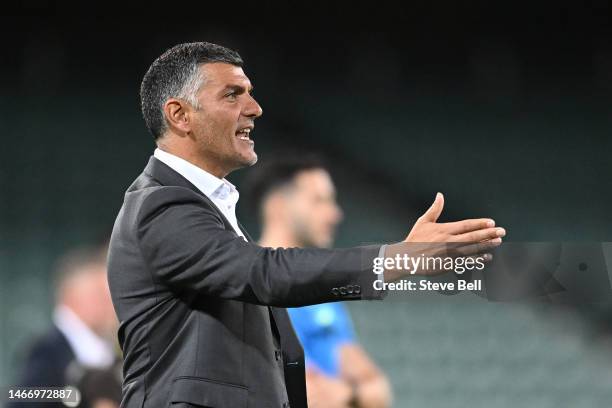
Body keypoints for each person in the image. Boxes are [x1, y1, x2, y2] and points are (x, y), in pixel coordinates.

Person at [107, 42, 505, 408]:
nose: (255, 107)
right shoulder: (161, 203)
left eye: (249, 92)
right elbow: (261, 273)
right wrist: (393, 259)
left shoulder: (207, 209)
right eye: (232, 94)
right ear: (180, 115)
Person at [247, 155, 392, 408]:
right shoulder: (248, 285)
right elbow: (299, 394)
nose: (335, 214)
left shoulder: (323, 293)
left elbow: (378, 391)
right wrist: (350, 394)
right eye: (319, 201)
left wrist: (348, 395)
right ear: (278, 206)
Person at [8, 246, 120, 408]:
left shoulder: (110, 348)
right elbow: (23, 398)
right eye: (99, 295)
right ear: (71, 296)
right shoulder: (46, 350)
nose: (109, 304)